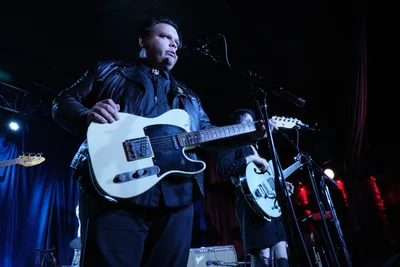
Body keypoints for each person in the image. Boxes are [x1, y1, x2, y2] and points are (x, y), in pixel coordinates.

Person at [52, 16, 266, 267]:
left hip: (177, 199)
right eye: (165, 37)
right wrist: (86, 115)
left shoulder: (189, 97)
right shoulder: (107, 71)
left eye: (177, 41)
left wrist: (250, 133)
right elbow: (62, 102)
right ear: (142, 40)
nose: (174, 44)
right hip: (115, 193)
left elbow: (208, 135)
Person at [216, 108, 293, 267]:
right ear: (236, 125)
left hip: (270, 207)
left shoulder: (253, 147)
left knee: (282, 255)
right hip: (252, 207)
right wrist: (250, 159)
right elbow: (223, 169)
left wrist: (280, 185)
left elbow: (262, 178)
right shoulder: (232, 142)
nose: (252, 125)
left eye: (253, 121)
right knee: (262, 257)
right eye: (247, 122)